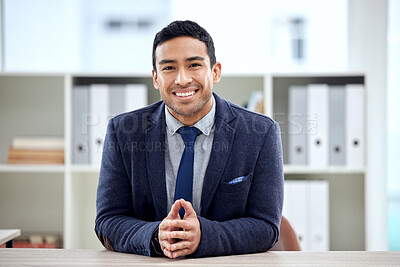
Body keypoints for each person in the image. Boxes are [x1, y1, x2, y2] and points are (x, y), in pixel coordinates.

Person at [95, 20, 284, 258]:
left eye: (194, 65)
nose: (182, 79)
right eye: (168, 68)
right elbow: (108, 220)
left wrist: (204, 235)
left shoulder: (260, 133)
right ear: (155, 78)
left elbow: (266, 227)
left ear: (215, 72)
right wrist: (155, 236)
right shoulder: (123, 132)